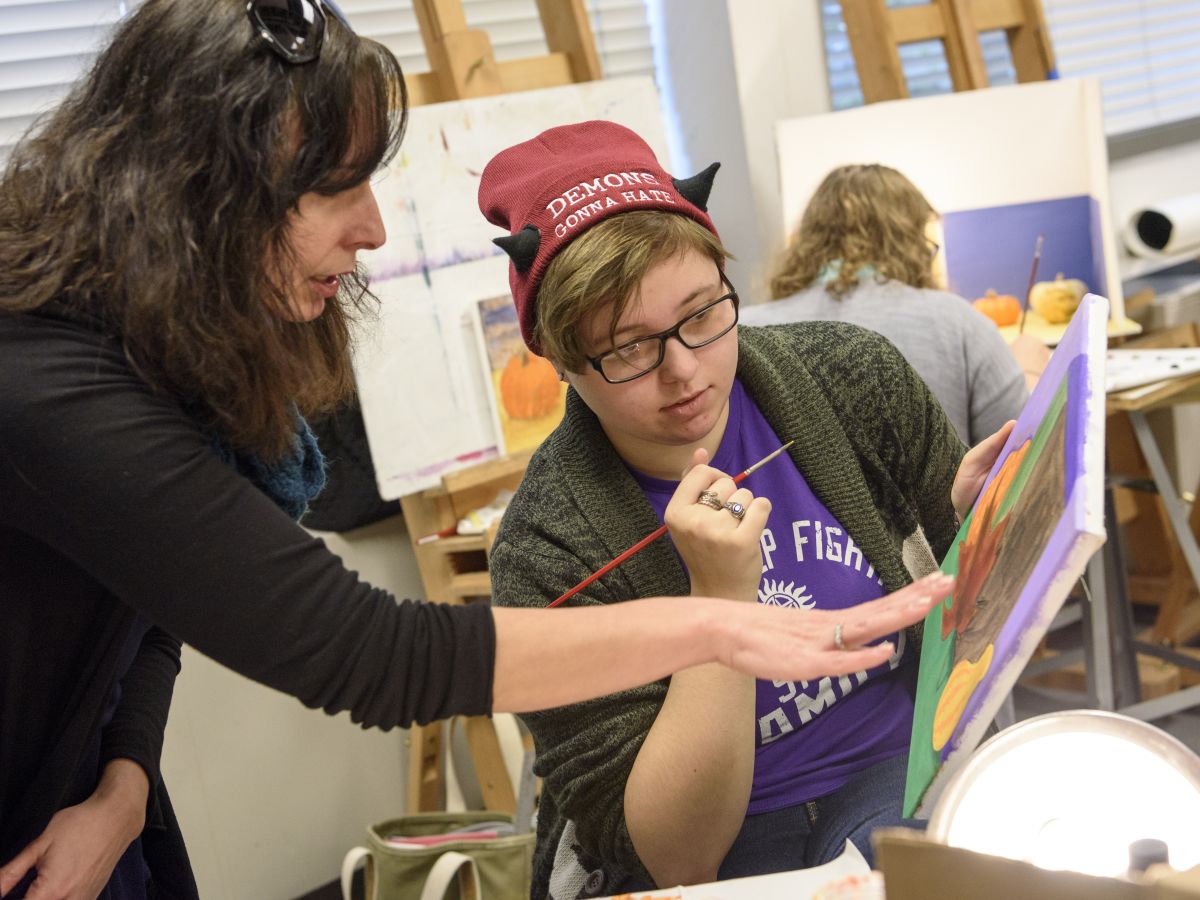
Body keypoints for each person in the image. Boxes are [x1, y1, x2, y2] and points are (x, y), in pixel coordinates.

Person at [0, 4, 957, 898]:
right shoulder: (49, 383)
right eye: (337, 186)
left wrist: (121, 783)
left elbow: (144, 605)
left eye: (703, 314)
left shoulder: (843, 378)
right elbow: (368, 651)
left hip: (86, 804)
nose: (373, 228)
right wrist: (717, 624)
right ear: (204, 192)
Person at [479, 122, 1010, 899]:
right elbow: (676, 860)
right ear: (561, 361)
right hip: (731, 849)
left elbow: (979, 636)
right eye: (629, 349)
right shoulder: (545, 549)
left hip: (903, 776)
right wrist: (719, 604)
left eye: (702, 313)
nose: (686, 371)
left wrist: (982, 529)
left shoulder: (850, 379)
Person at [741, 163, 1029, 447]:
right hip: (945, 495)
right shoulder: (959, 323)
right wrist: (1033, 368)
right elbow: (1021, 449)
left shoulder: (745, 329)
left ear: (808, 240)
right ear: (914, 239)